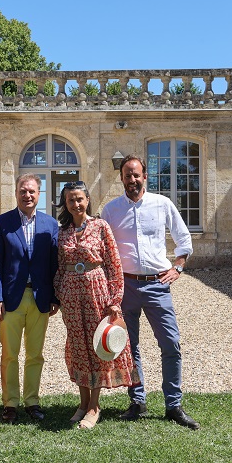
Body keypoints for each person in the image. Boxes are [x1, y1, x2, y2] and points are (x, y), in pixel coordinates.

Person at [101, 154, 200, 430]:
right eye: (127, 175)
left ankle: (173, 405)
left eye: (136, 174)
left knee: (171, 343)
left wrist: (177, 268)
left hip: (158, 284)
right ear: (121, 178)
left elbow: (184, 240)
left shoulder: (162, 204)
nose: (131, 179)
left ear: (145, 176)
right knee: (129, 346)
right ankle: (138, 401)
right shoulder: (111, 210)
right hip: (125, 286)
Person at [53, 181, 139, 430]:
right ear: (65, 203)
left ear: (87, 199)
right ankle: (81, 403)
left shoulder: (101, 227)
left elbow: (114, 265)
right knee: (78, 346)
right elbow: (59, 266)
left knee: (97, 347)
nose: (76, 203)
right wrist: (59, 291)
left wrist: (114, 300)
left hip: (97, 293)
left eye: (79, 199)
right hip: (71, 295)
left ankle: (94, 405)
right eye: (70, 200)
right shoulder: (63, 232)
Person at [0, 173, 59, 424]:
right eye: (23, 191)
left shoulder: (50, 225)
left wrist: (55, 296)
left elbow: (54, 263)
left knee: (35, 354)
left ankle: (32, 401)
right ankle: (10, 403)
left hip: (40, 298)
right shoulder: (2, 222)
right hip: (11, 299)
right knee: (9, 354)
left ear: (39, 194)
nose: (27, 195)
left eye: (31, 191)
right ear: (16, 193)